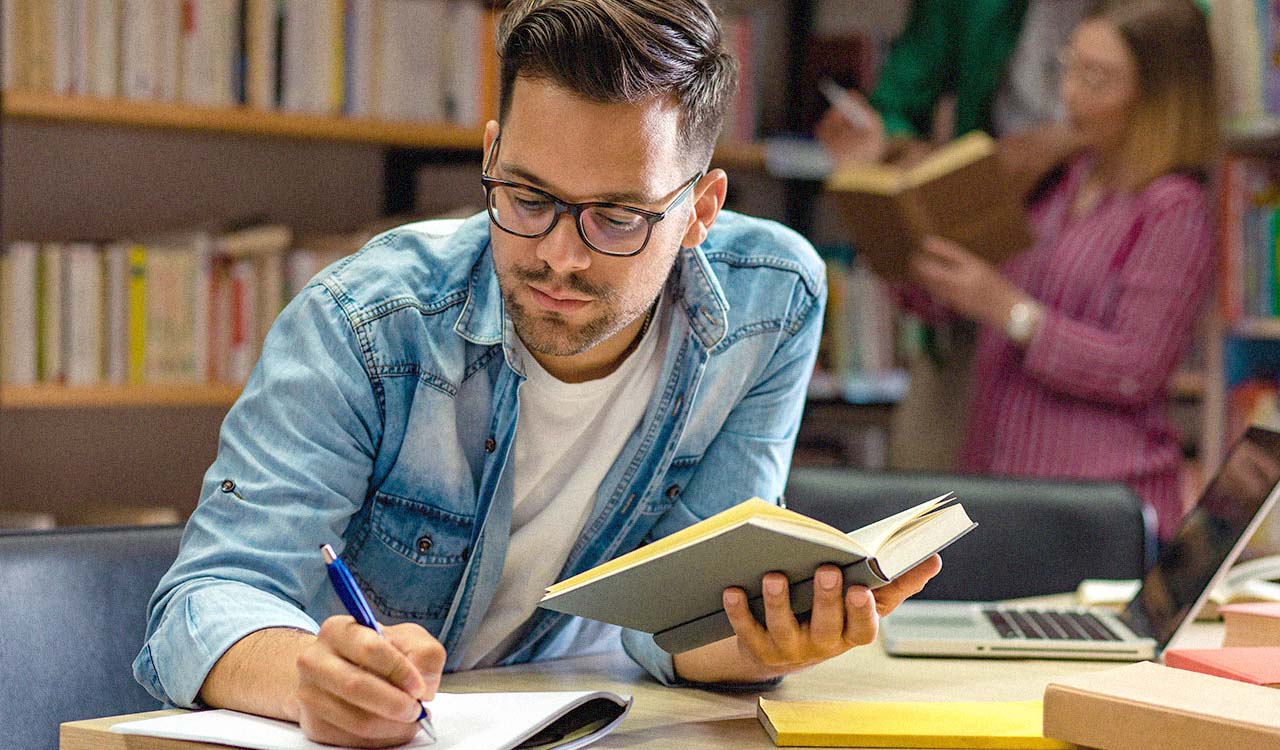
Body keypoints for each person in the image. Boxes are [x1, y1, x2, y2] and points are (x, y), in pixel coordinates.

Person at [133, 1, 941, 747]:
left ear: (700, 210)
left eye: (617, 217)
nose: (560, 254)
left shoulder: (772, 303)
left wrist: (758, 642)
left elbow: (678, 622)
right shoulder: (363, 323)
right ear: (490, 154)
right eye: (525, 197)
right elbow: (203, 602)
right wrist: (310, 680)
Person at [903, 0, 1218, 542]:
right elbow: (971, 294)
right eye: (1066, 67)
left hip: (1097, 511)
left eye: (1096, 79)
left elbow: (1136, 368)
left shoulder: (1173, 207)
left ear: (1159, 98)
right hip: (1007, 493)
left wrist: (1011, 311)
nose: (1070, 94)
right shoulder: (1061, 181)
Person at [816, 0, 1094, 472]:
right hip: (976, 244)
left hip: (1065, 261)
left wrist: (1066, 141)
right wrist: (893, 145)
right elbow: (898, 100)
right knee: (921, 470)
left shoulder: (1159, 206)